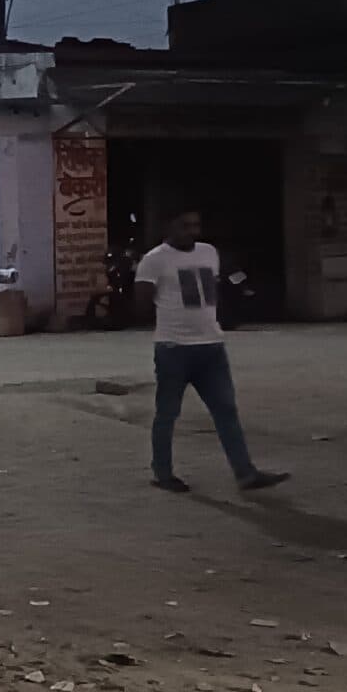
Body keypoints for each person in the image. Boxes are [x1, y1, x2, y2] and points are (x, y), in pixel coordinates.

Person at [135, 211, 285, 493]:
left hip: (211, 348)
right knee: (167, 413)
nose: (191, 231)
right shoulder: (154, 259)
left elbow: (214, 292)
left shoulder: (209, 253)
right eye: (184, 226)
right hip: (174, 349)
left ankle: (245, 473)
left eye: (195, 225)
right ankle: (162, 472)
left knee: (226, 410)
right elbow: (140, 302)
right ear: (169, 226)